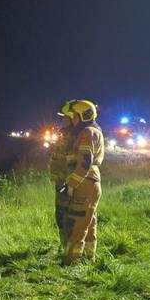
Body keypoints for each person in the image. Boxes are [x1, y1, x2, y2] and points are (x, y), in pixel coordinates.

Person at [59, 99, 104, 264]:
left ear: (83, 116)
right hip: (90, 182)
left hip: (85, 184)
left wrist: (71, 185)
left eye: (75, 117)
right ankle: (88, 258)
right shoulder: (92, 131)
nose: (72, 121)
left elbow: (84, 163)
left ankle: (71, 261)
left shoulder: (86, 133)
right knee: (89, 222)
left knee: (77, 223)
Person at [48, 101, 77, 245]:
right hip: (60, 182)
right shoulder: (64, 135)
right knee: (60, 215)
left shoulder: (72, 138)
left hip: (66, 184)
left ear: (72, 119)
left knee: (65, 215)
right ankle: (64, 244)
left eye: (65, 117)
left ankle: (69, 246)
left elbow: (73, 163)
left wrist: (67, 184)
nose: (63, 120)